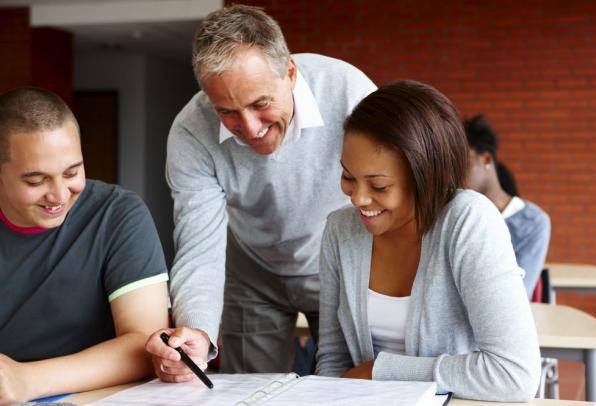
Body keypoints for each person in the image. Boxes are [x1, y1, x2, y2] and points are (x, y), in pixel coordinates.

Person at [145, 4, 376, 379]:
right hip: (253, 273)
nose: (249, 129)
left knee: (347, 387)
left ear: (289, 72)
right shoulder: (190, 132)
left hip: (341, 265)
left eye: (260, 104)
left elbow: (387, 198)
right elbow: (199, 246)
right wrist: (197, 332)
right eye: (227, 112)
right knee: (249, 390)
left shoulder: (349, 92)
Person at [315, 81, 540, 401]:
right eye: (349, 177)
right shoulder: (340, 230)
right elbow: (333, 362)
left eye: (378, 186)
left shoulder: (469, 221)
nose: (358, 198)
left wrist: (379, 371)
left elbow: (514, 374)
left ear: (427, 177)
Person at [0, 87, 169, 404]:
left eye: (71, 172)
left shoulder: (117, 215)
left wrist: (24, 381)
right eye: (36, 181)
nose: (59, 195)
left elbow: (145, 343)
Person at [464, 115, 551, 299]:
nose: (454, 173)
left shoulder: (532, 222)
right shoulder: (456, 214)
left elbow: (516, 294)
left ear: (486, 159)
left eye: (461, 162)